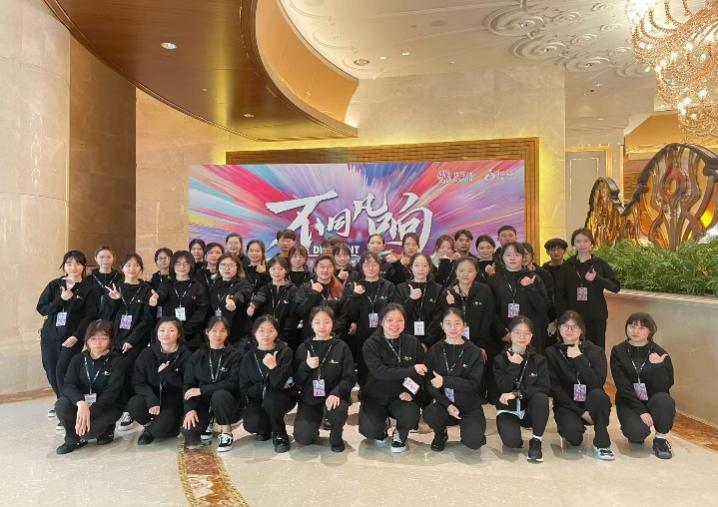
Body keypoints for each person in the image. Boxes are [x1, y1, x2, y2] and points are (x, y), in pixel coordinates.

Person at [37, 250, 99, 422]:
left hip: (71, 337)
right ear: (64, 266)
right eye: (69, 263)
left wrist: (77, 336)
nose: (73, 267)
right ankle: (62, 402)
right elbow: (42, 308)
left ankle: (66, 409)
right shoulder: (54, 285)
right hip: (50, 336)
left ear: (83, 266)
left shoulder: (89, 289)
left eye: (78, 263)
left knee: (62, 371)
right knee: (51, 370)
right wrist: (61, 300)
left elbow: (90, 316)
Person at [545, 311, 614, 460]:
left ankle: (602, 442)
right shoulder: (551, 353)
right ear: (559, 328)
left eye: (574, 327)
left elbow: (596, 384)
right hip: (567, 405)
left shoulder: (595, 351)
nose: (569, 330)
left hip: (592, 402)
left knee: (599, 396)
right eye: (565, 326)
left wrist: (579, 358)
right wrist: (581, 413)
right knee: (573, 438)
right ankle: (574, 425)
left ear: (582, 329)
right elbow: (555, 389)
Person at [359, 304, 426, 452]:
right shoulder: (371, 344)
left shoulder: (413, 342)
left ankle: (400, 433)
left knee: (411, 415)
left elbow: (421, 372)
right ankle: (382, 425)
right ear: (381, 321)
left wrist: (411, 392)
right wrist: (410, 370)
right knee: (370, 430)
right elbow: (379, 372)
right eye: (389, 320)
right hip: (376, 395)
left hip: (401, 395)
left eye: (399, 320)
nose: (395, 325)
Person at [54, 320, 127, 454]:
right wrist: (81, 403)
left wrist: (89, 412)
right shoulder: (78, 359)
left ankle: (108, 429)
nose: (98, 343)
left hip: (108, 406)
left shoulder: (117, 361)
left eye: (103, 338)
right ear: (87, 340)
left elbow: (112, 392)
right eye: (93, 338)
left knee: (87, 433)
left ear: (110, 340)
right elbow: (68, 385)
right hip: (84, 404)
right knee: (61, 404)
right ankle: (73, 440)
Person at [610, 312, 675, 459]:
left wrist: (658, 367)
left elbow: (665, 387)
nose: (635, 331)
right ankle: (635, 427)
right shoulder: (618, 351)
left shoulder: (659, 353)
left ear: (650, 331)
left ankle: (660, 439)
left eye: (641, 328)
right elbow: (622, 386)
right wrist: (641, 411)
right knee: (636, 435)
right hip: (629, 401)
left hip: (653, 400)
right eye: (632, 326)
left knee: (665, 400)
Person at [101, 253, 154, 430]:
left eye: (136, 265)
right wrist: (114, 301)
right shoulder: (114, 288)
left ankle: (129, 410)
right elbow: (106, 316)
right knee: (116, 373)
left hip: (136, 341)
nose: (132, 269)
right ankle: (118, 407)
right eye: (128, 265)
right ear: (122, 268)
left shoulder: (146, 290)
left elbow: (147, 319)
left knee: (128, 372)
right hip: (115, 340)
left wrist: (132, 340)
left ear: (141, 268)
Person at [423, 308, 487, 451]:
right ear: (442, 326)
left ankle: (474, 433)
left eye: (457, 323)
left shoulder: (474, 351)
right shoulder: (435, 350)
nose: (453, 328)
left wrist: (445, 381)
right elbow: (430, 384)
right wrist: (447, 404)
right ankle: (440, 434)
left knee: (473, 442)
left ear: (464, 325)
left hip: (469, 405)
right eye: (448, 323)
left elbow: (473, 384)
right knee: (430, 414)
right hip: (444, 404)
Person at [293, 307, 355, 452]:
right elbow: (296, 380)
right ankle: (315, 424)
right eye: (317, 322)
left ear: (332, 324)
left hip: (334, 396)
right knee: (303, 437)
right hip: (310, 397)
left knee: (337, 410)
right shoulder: (303, 347)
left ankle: (336, 434)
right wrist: (306, 366)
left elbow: (349, 377)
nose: (322, 326)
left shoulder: (341, 347)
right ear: (311, 324)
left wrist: (337, 393)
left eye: (327, 322)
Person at [493, 316, 550, 462]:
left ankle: (536, 441)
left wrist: (517, 393)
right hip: (508, 409)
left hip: (529, 410)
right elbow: (502, 388)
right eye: (517, 332)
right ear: (509, 334)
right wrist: (513, 366)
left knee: (541, 398)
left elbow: (544, 387)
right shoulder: (499, 359)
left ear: (531, 336)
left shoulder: (539, 360)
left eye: (526, 333)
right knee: (512, 443)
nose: (522, 337)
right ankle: (513, 432)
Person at [182, 317, 243, 452]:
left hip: (227, 402)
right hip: (204, 403)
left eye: (222, 331)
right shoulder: (197, 356)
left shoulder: (235, 355)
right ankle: (209, 419)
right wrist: (189, 409)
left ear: (227, 333)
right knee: (189, 431)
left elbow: (232, 383)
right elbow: (188, 384)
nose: (218, 335)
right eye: (214, 330)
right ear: (207, 332)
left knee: (219, 395)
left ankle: (226, 431)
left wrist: (202, 390)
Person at [129, 317, 192, 445]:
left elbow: (188, 385)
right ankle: (149, 427)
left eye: (171, 330)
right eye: (162, 330)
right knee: (134, 404)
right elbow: (138, 382)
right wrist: (151, 398)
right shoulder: (147, 353)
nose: (166, 334)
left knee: (162, 431)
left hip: (173, 401)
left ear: (179, 334)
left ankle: (163, 427)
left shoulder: (187, 355)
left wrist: (168, 374)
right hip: (153, 396)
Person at [555, 228, 620, 350]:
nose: (582, 244)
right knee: (574, 349)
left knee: (597, 349)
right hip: (573, 318)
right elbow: (560, 294)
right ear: (573, 244)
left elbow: (615, 287)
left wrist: (598, 278)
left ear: (591, 243)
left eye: (585, 241)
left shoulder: (599, 263)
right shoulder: (567, 266)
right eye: (578, 241)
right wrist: (563, 317)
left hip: (596, 316)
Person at [239, 316, 296, 453]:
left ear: (276, 332)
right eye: (261, 330)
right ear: (254, 332)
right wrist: (265, 387)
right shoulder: (248, 356)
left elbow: (283, 383)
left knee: (273, 397)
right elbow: (245, 387)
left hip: (282, 397)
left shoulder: (285, 351)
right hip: (259, 397)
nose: (266, 335)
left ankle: (280, 434)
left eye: (271, 330)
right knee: (252, 424)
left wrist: (273, 367)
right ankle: (266, 427)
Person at [345, 252, 400, 385]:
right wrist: (355, 296)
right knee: (364, 367)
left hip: (385, 334)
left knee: (384, 366)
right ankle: (364, 392)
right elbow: (350, 314)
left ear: (380, 266)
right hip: (362, 335)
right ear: (361, 267)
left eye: (374, 264)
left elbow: (395, 310)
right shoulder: (355, 286)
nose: (371, 268)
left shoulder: (388, 286)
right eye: (367, 265)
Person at [488, 242, 549, 352]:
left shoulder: (533, 277)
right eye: (508, 255)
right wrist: (501, 332)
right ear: (502, 258)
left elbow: (543, 308)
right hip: (502, 336)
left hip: (529, 335)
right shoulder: (494, 279)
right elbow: (490, 309)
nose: (512, 258)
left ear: (523, 257)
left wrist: (530, 288)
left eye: (517, 255)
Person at [154, 251, 209, 351]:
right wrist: (155, 298)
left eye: (186, 263)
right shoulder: (166, 284)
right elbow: (161, 295)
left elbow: (201, 312)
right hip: (168, 338)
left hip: (192, 339)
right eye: (178, 264)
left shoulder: (198, 286)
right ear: (173, 265)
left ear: (191, 265)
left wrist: (181, 331)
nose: (182, 267)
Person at [444, 257, 494, 361]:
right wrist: (452, 302)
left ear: (476, 272)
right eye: (461, 270)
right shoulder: (449, 292)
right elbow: (446, 321)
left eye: (470, 271)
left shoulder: (484, 290)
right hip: (454, 342)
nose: (465, 274)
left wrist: (481, 345)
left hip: (478, 343)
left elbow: (487, 319)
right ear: (456, 272)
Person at [397, 253, 445, 351]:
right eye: (417, 265)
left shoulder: (438, 289)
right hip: (405, 340)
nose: (420, 269)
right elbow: (399, 315)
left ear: (430, 268)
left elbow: (438, 318)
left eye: (424, 266)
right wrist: (411, 299)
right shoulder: (401, 288)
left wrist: (426, 342)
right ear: (411, 267)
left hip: (432, 342)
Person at [248, 256, 299, 348]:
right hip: (266, 334)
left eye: (280, 269)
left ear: (286, 270)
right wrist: (254, 305)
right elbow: (260, 297)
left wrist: (284, 336)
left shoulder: (292, 290)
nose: (276, 272)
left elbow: (293, 315)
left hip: (285, 336)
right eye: (273, 269)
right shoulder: (265, 288)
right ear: (269, 270)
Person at [295, 255, 346, 341]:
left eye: (329, 267)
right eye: (322, 267)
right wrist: (313, 294)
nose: (325, 270)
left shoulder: (339, 288)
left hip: (333, 337)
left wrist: (330, 330)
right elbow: (300, 311)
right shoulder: (306, 287)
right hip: (310, 336)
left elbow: (343, 315)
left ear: (333, 269)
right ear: (315, 269)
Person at [209, 253, 253, 345]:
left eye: (231, 265)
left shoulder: (243, 284)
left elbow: (242, 294)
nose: (227, 268)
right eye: (223, 265)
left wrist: (233, 300)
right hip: (219, 333)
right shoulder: (214, 284)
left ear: (237, 267)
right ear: (218, 267)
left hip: (238, 334)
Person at [89, 246, 122, 312]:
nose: (105, 260)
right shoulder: (89, 279)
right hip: (93, 315)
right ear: (96, 258)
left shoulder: (120, 278)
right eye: (101, 257)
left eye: (109, 257)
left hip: (114, 314)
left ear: (113, 258)